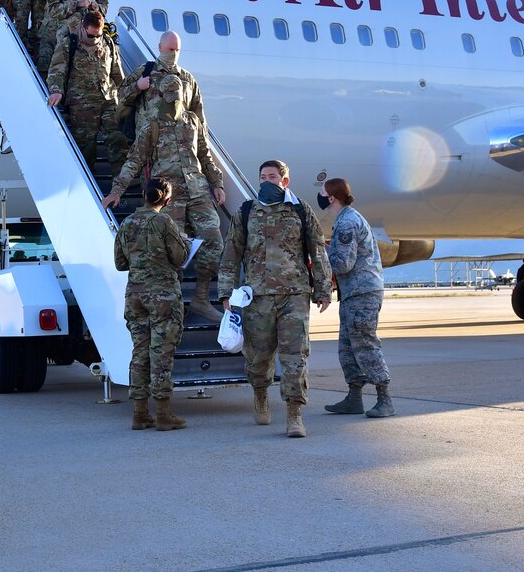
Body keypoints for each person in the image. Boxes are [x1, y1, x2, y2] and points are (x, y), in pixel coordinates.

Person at [218, 160, 332, 438]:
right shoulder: (246, 211)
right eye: (263, 176)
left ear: (285, 181)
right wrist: (226, 291)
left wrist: (323, 288)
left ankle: (294, 415)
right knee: (258, 356)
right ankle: (260, 394)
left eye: (272, 176)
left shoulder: (301, 210)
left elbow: (317, 251)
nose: (267, 180)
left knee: (295, 355)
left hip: (295, 294)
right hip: (257, 296)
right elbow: (231, 252)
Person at [103, 74, 225, 323]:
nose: (174, 103)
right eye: (169, 98)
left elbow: (204, 154)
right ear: (160, 97)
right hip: (169, 196)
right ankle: (175, 303)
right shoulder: (151, 125)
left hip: (198, 190)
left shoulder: (192, 121)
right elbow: (134, 160)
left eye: (177, 98)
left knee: (214, 240)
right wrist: (117, 190)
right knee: (173, 251)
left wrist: (217, 183)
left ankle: (201, 297)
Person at [114, 177, 191, 431]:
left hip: (135, 295)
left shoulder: (127, 223)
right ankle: (163, 414)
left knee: (139, 352)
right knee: (161, 354)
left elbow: (120, 263)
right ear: (167, 199)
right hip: (163, 295)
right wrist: (184, 241)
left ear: (143, 196)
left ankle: (139, 413)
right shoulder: (163, 221)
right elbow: (179, 258)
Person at [320, 178, 394, 418]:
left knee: (364, 343)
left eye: (323, 194)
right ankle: (354, 397)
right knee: (348, 347)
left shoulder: (347, 223)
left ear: (332, 198)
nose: (320, 197)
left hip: (362, 293)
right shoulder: (347, 218)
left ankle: (385, 399)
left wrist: (320, 252)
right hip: (354, 293)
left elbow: (342, 264)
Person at [46, 11, 127, 178]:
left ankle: (122, 180)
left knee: (117, 137)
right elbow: (56, 70)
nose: (95, 39)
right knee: (85, 146)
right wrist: (56, 90)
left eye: (98, 35)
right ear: (83, 27)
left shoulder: (107, 42)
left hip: (108, 99)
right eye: (91, 35)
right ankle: (88, 181)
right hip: (82, 104)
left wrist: (127, 95)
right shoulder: (69, 44)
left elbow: (117, 74)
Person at [116, 31, 207, 135]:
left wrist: (203, 146)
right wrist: (137, 86)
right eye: (171, 49)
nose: (174, 54)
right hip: (147, 143)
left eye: (178, 50)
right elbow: (119, 95)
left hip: (178, 145)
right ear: (160, 47)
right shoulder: (145, 71)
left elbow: (198, 116)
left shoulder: (187, 78)